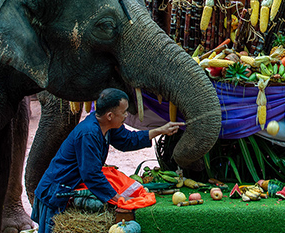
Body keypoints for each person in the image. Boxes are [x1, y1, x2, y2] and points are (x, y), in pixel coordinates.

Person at [31, 88, 182, 233]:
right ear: (110, 115)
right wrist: (118, 199)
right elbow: (91, 175)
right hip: (55, 191)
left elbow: (128, 140)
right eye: (123, 113)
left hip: (71, 183)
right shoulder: (88, 134)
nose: (125, 116)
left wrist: (161, 130)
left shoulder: (108, 126)